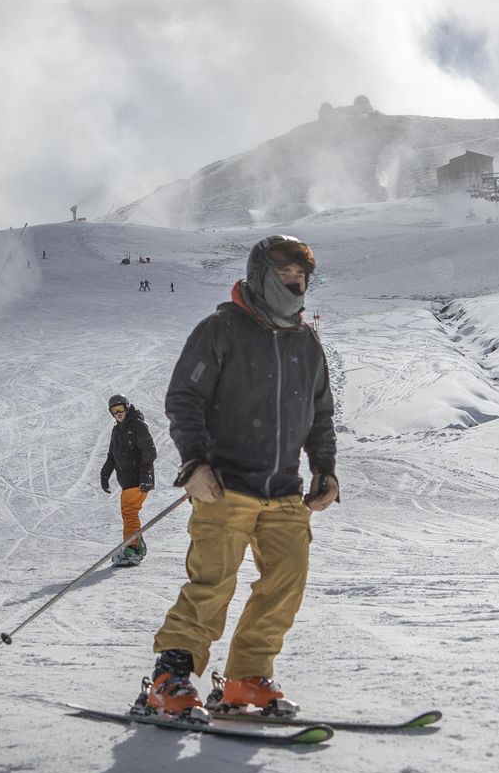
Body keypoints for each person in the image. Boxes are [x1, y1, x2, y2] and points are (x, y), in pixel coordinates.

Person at [136, 234, 339, 722]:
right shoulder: (221, 330)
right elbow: (185, 399)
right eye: (287, 277)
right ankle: (170, 679)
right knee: (213, 585)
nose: (298, 286)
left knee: (286, 583)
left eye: (303, 278)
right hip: (224, 486)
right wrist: (195, 464)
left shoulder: (306, 342)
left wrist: (324, 469)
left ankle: (247, 678)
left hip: (283, 491)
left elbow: (320, 414)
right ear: (261, 277)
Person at [100, 394, 158, 565]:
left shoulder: (137, 425)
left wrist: (146, 475)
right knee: (129, 512)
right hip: (127, 481)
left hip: (138, 479)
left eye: (121, 408)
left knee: (129, 512)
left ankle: (133, 548)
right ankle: (136, 544)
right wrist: (105, 474)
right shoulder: (117, 429)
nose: (118, 413)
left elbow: (150, 452)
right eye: (114, 410)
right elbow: (112, 455)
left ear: (127, 407)